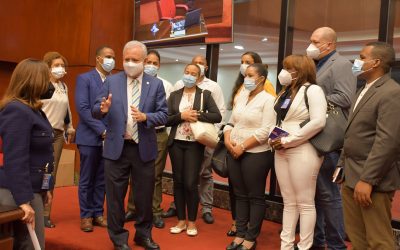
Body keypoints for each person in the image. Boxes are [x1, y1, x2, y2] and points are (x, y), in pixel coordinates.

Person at [93, 40, 167, 250]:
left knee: (144, 197)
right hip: (117, 148)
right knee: (115, 198)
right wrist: (103, 109)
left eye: (135, 60)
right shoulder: (111, 81)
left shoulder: (155, 84)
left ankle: (143, 235)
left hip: (143, 148)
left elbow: (163, 114)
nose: (130, 63)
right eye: (126, 59)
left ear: (144, 61)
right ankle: (118, 238)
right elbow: (95, 110)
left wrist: (146, 117)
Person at [339, 41, 400, 250]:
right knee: (358, 239)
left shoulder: (391, 92)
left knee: (379, 241)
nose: (357, 61)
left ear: (376, 62)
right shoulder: (362, 89)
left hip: (372, 181)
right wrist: (341, 168)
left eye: (362, 57)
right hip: (350, 176)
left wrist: (368, 179)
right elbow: (351, 135)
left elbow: (388, 142)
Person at [306, 26, 356, 250]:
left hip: (329, 138)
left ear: (330, 44)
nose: (311, 45)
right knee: (314, 194)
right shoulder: (314, 65)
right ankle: (318, 241)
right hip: (311, 135)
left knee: (328, 194)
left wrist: (312, 96)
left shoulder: (341, 64)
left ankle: (336, 244)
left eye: (315, 42)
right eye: (311, 41)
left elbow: (345, 97)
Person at [270, 55, 327, 250]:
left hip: (303, 148)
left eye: (288, 68)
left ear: (300, 70)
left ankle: (304, 246)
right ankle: (285, 246)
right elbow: (280, 120)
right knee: (289, 200)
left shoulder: (313, 90)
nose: (284, 72)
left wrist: (289, 140)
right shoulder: (285, 92)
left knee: (305, 201)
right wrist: (275, 139)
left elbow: (318, 122)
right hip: (280, 148)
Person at [163, 54, 226, 225]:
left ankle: (191, 222)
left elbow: (217, 115)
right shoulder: (175, 94)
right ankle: (181, 220)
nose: (189, 76)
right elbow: (165, 118)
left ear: (199, 77)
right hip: (176, 142)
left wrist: (197, 115)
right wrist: (181, 115)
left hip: (195, 144)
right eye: (187, 72)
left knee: (191, 183)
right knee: (178, 181)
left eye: (193, 73)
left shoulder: (205, 94)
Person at [0, 58, 55, 250]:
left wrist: (46, 187)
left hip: (34, 188)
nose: (50, 85)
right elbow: (15, 159)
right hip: (18, 191)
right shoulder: (16, 110)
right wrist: (23, 201)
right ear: (33, 81)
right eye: (46, 80)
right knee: (30, 245)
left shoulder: (35, 110)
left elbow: (45, 155)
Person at [223, 63, 275, 250]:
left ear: (261, 78)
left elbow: (266, 130)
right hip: (234, 150)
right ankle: (240, 234)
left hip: (256, 154)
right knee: (240, 195)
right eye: (245, 75)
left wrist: (243, 146)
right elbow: (231, 122)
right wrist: (228, 141)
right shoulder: (241, 96)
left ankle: (250, 239)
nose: (246, 78)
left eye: (250, 75)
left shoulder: (268, 100)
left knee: (255, 196)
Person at [125, 49, 174, 229]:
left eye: (155, 63)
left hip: (157, 134)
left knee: (155, 175)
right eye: (149, 62)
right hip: (134, 135)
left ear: (159, 65)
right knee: (134, 173)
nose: (151, 65)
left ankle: (155, 211)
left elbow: (165, 114)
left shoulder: (165, 85)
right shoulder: (131, 82)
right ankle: (132, 209)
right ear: (143, 62)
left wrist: (147, 117)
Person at [75, 46, 115, 232]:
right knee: (87, 178)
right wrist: (102, 130)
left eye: (113, 57)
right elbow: (83, 109)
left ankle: (98, 212)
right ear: (98, 58)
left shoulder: (115, 80)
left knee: (102, 178)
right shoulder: (85, 79)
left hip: (110, 138)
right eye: (108, 57)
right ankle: (86, 215)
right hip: (89, 136)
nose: (111, 60)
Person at [41, 51, 76, 228]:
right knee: (37, 171)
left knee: (50, 175)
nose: (60, 69)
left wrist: (69, 127)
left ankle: (46, 213)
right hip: (40, 134)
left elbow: (67, 108)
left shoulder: (63, 86)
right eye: (56, 65)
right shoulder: (40, 84)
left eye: (62, 66)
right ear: (47, 67)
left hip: (57, 135)